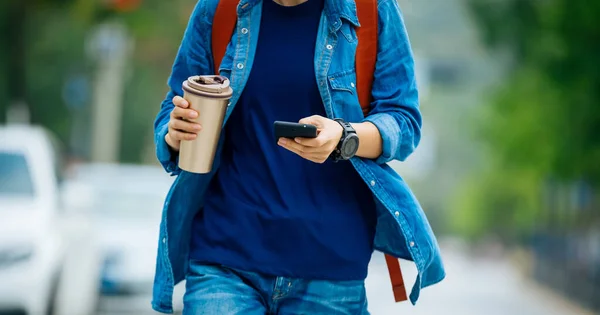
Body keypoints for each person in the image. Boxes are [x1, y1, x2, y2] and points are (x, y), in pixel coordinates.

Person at [152, 0, 445, 314]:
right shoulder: (220, 8)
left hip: (329, 267)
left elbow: (403, 120)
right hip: (225, 258)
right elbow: (174, 107)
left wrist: (345, 137)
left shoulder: (371, 9)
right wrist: (174, 133)